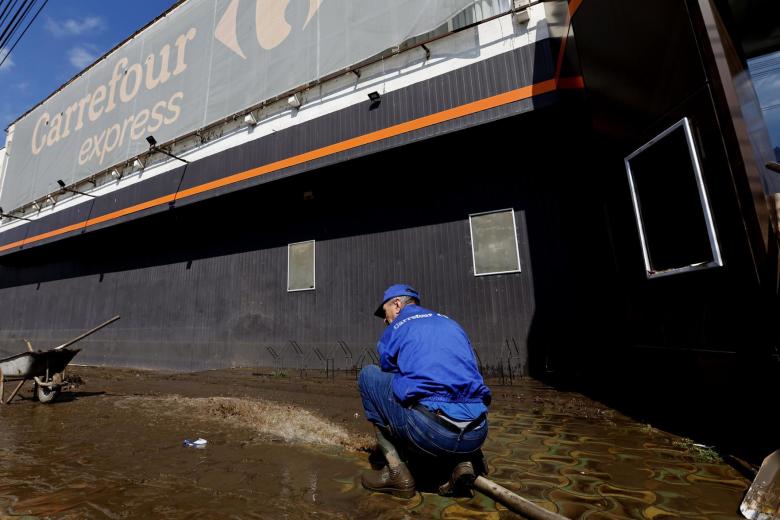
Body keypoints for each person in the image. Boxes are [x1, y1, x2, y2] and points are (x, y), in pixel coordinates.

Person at [358, 284, 491, 498]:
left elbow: (389, 371)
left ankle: (396, 472)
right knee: (457, 391)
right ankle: (463, 462)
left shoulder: (398, 325)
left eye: (386, 313)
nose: (385, 320)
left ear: (398, 305)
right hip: (477, 432)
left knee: (369, 375)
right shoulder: (451, 323)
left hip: (431, 433)